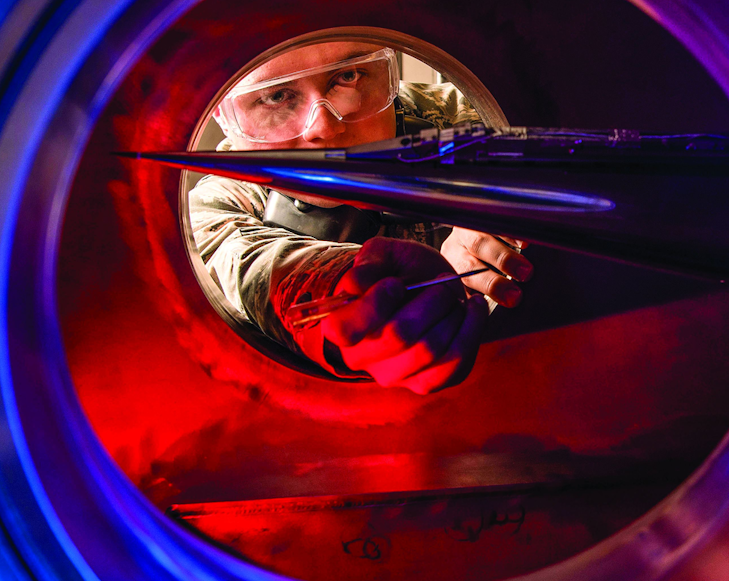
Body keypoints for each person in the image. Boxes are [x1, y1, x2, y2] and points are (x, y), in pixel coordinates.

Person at [188, 41, 532, 394]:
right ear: (222, 113)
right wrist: (360, 299)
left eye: (348, 77)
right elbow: (260, 268)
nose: (323, 127)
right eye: (276, 97)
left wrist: (502, 203)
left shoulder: (473, 117)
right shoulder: (215, 211)